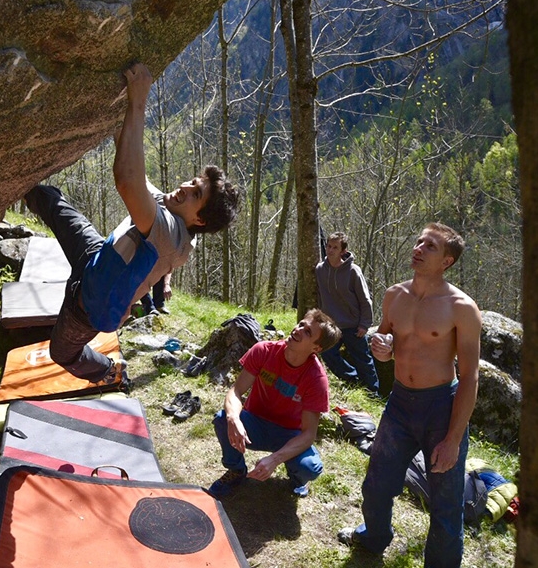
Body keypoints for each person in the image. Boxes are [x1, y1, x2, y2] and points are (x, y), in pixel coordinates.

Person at [24, 62, 239, 383]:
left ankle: (107, 369)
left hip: (85, 308)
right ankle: (18, 190)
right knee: (49, 200)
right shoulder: (176, 220)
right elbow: (141, 178)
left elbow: (127, 179)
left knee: (62, 354)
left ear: (199, 218)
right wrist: (115, 124)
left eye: (195, 193)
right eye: (192, 181)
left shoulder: (167, 232)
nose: (184, 187)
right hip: (97, 256)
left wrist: (138, 100)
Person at [337, 223, 482, 568]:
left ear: (447, 261)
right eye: (419, 241)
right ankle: (373, 538)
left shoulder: (462, 307)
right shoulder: (394, 295)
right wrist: (382, 349)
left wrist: (453, 438)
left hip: (441, 408)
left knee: (446, 505)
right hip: (400, 403)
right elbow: (384, 341)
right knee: (376, 484)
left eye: (430, 246)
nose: (418, 248)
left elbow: (470, 376)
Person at [207, 308, 342, 499]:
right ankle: (236, 471)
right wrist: (234, 418)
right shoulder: (264, 350)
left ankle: (297, 479)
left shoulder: (316, 378)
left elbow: (309, 434)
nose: (298, 330)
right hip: (254, 423)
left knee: (310, 468)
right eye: (301, 324)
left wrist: (274, 459)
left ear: (316, 348)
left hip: (288, 435)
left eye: (307, 332)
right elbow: (236, 391)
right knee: (222, 419)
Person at [314, 231, 380, 395]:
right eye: (329, 246)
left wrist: (365, 324)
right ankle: (353, 381)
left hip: (353, 324)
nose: (330, 250)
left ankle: (373, 393)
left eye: (335, 247)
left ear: (343, 251)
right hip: (332, 325)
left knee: (363, 360)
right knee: (327, 354)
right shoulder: (320, 270)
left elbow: (365, 300)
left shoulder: (353, 271)